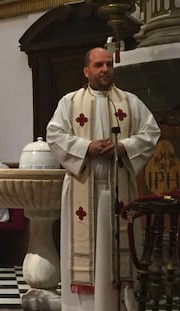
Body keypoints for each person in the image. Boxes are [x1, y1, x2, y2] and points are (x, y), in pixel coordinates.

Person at [46, 47, 160, 311]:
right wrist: (87, 148)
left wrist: (124, 147)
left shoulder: (130, 102)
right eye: (98, 65)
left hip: (118, 189)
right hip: (82, 188)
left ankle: (119, 305)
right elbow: (55, 135)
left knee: (117, 251)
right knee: (86, 253)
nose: (105, 69)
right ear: (87, 71)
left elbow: (151, 132)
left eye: (108, 64)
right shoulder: (70, 102)